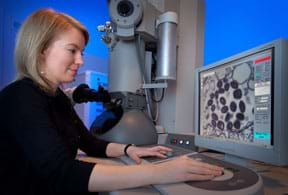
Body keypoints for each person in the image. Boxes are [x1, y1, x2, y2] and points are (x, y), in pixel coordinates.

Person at [0, 8, 223, 195]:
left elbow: (90, 143)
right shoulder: (20, 97)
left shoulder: (57, 98)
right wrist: (161, 172)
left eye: (82, 52)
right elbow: (62, 174)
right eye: (72, 50)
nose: (80, 60)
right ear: (41, 50)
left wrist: (129, 150)